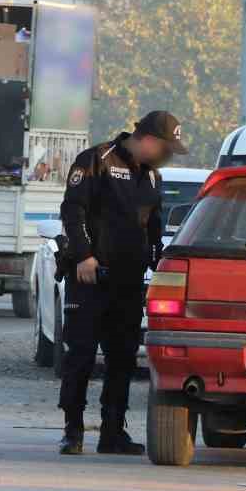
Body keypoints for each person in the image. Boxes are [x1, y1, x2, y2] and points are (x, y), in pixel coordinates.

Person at [56, 110, 187, 456]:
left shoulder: (154, 178)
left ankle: (112, 432)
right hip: (90, 278)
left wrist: (159, 263)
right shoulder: (96, 161)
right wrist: (83, 255)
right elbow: (73, 210)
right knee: (81, 356)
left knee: (123, 359)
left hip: (128, 283)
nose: (168, 155)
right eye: (167, 148)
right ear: (150, 140)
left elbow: (154, 226)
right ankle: (73, 430)